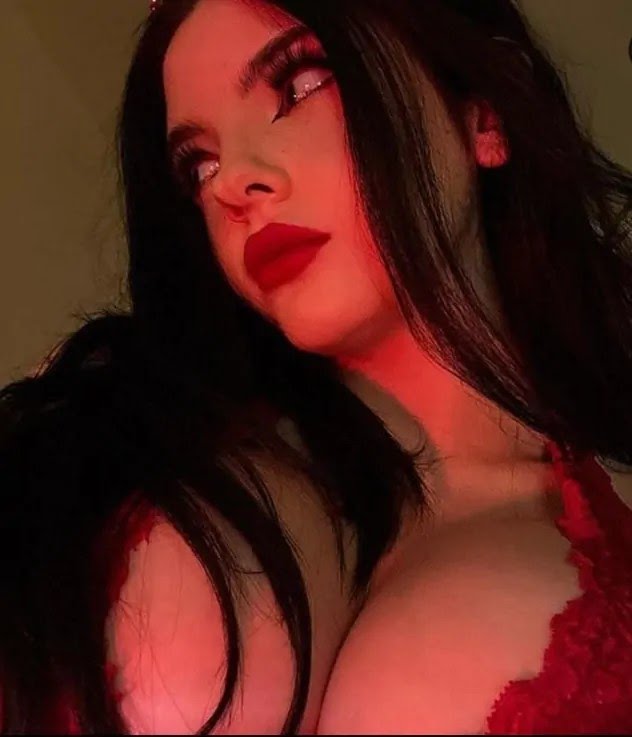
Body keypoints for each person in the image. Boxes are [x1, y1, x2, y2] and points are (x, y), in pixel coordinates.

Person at [1, 0, 631, 732]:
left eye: (298, 85)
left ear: (483, 114)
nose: (231, 183)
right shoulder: (154, 469)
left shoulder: (600, 455)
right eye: (198, 165)